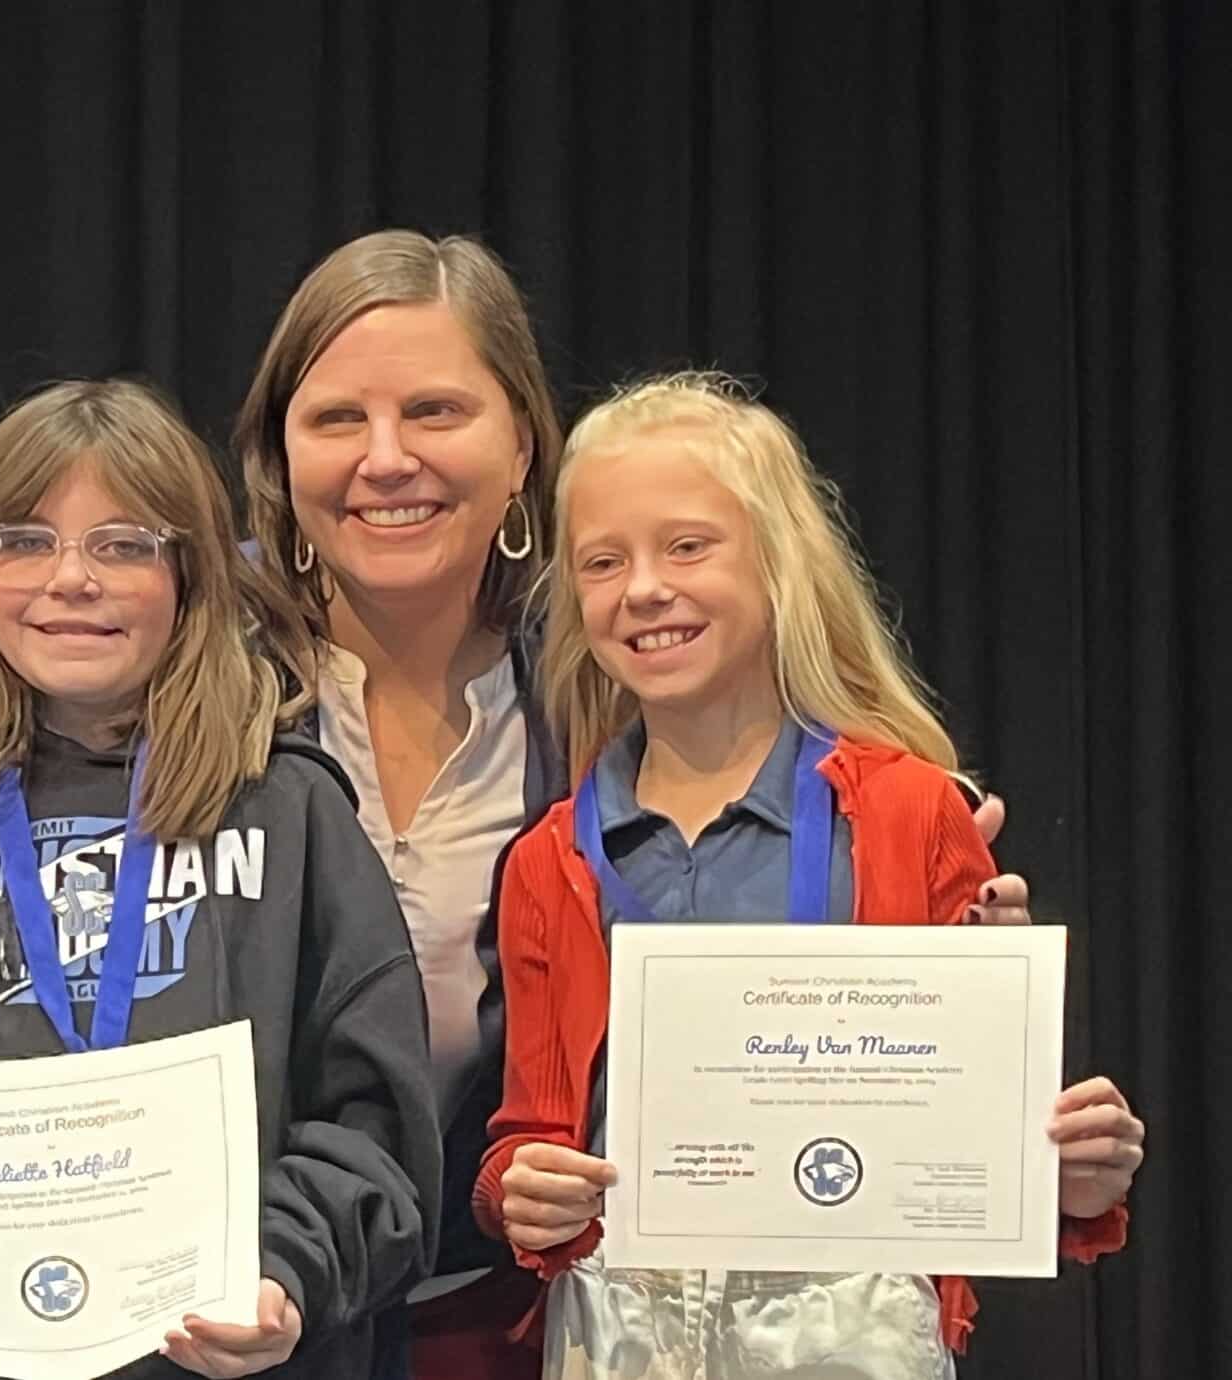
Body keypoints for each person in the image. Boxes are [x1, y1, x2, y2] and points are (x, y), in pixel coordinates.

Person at [232, 230, 1040, 1378]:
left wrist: (951, 984)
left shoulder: (608, 703)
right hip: (246, 1329)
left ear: (520, 446)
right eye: (334, 420)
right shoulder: (195, 708)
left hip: (534, 1325)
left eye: (434, 412)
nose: (386, 458)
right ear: (278, 452)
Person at [475, 373, 1144, 1378]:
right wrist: (516, 1191)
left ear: (777, 562)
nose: (644, 587)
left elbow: (972, 1141)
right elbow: (527, 1133)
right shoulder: (547, 862)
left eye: (687, 545)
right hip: (616, 1330)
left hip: (851, 1328)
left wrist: (1068, 1180)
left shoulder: (909, 812)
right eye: (601, 562)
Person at [0, 379, 442, 1380]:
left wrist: (281, 1272)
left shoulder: (287, 813)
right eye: (24, 541)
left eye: (123, 544)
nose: (69, 579)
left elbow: (376, 1121)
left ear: (189, 574)